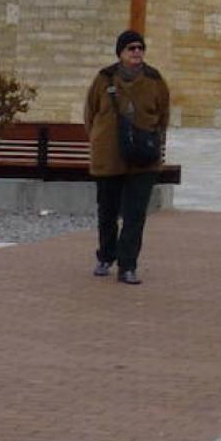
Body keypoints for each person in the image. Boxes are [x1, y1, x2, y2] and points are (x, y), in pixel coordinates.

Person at [84, 29, 171, 285]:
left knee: (135, 215)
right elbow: (90, 114)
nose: (136, 52)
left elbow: (163, 116)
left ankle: (128, 265)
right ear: (120, 52)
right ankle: (105, 256)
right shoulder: (104, 79)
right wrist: (101, 140)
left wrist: (152, 141)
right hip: (108, 157)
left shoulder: (155, 80)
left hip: (143, 158)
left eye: (140, 48)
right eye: (131, 48)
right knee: (107, 211)